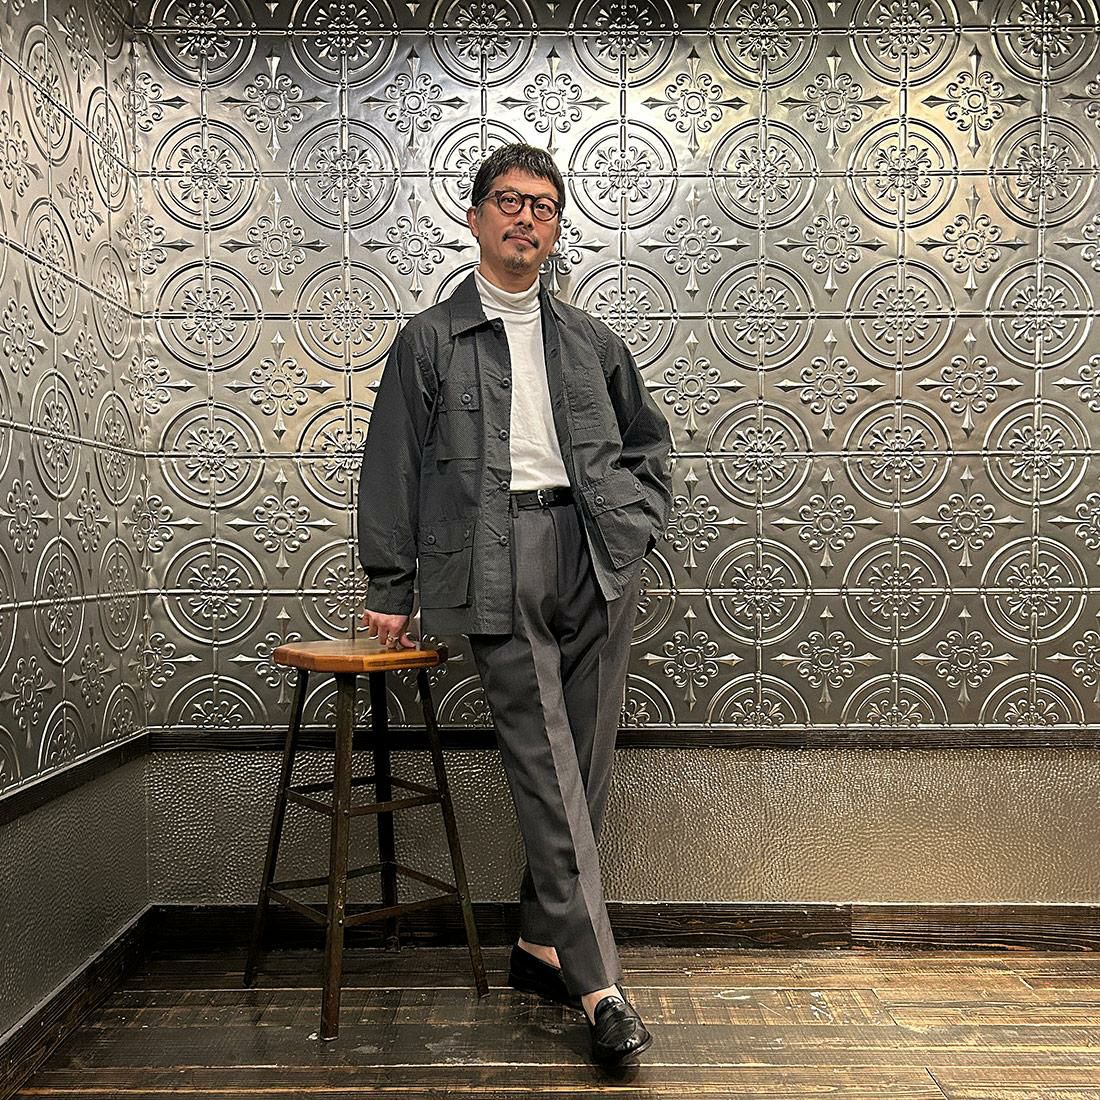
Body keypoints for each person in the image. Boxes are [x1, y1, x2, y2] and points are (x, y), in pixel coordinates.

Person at [356, 143, 672, 1065]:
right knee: (548, 768)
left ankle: (539, 942)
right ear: (474, 217)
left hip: (597, 554)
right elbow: (392, 466)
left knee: (588, 767)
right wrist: (390, 586)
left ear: (557, 228)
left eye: (543, 205)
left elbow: (648, 444)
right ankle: (599, 985)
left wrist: (637, 527)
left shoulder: (591, 341)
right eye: (508, 200)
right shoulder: (429, 340)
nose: (525, 217)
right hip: (493, 561)